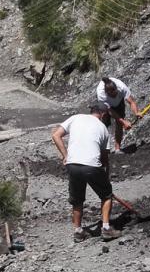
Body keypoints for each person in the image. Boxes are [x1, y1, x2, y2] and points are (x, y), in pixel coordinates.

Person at [51, 102, 122, 243]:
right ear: (103, 114)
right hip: (91, 166)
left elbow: (56, 135)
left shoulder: (75, 118)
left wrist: (65, 156)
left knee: (77, 199)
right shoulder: (102, 128)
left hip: (73, 165)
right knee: (106, 195)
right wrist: (105, 176)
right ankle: (106, 229)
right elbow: (104, 157)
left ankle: (78, 232)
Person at [96, 76, 141, 152]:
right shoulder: (101, 93)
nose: (113, 96)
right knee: (104, 123)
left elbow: (131, 102)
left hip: (119, 103)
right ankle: (99, 147)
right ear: (106, 93)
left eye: (115, 94)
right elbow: (110, 111)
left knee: (119, 124)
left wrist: (136, 113)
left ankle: (117, 149)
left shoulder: (121, 87)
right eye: (111, 95)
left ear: (117, 89)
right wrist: (124, 122)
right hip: (106, 106)